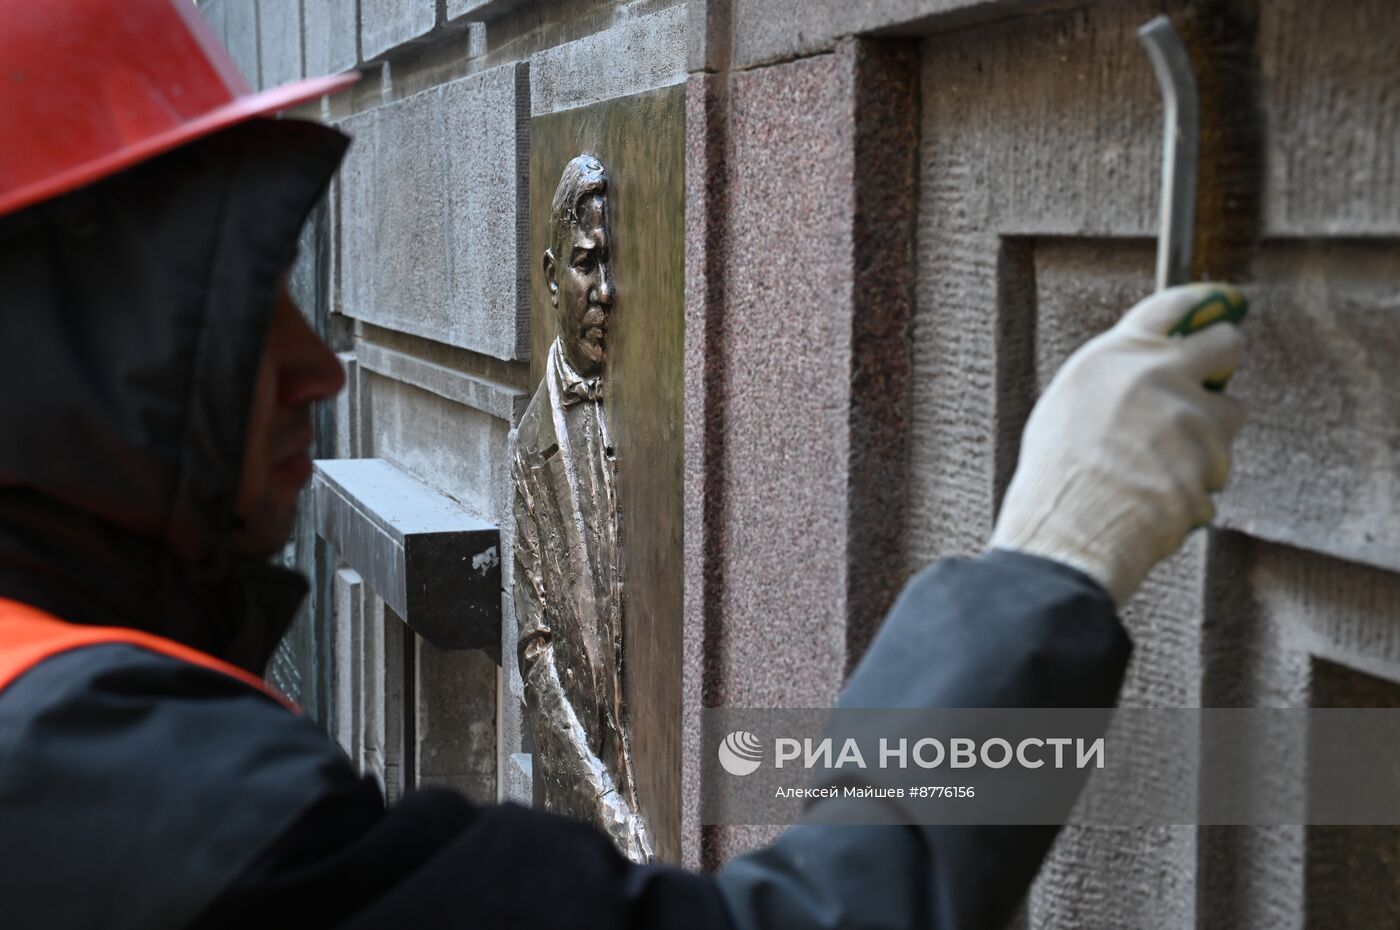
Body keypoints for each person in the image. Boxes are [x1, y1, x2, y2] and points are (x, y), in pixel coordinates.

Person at [0, 2, 1245, 928]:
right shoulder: (95, 779)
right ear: (68, 350)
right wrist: (1047, 566)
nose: (318, 369)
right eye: (233, 316)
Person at [512, 154, 653, 862]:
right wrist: (607, 805)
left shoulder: (650, 402)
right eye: (585, 264)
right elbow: (535, 653)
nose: (604, 291)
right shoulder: (530, 446)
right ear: (550, 276)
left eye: (610, 267)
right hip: (591, 804)